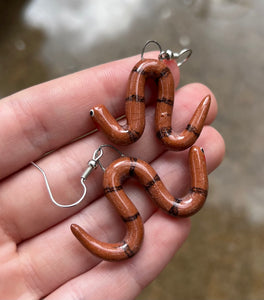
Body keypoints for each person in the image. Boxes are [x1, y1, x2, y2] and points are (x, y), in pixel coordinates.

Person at [0, 53, 225, 299]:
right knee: (134, 140)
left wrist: (101, 118)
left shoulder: (130, 146)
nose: (96, 114)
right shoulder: (119, 159)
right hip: (123, 163)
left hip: (128, 160)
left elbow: (120, 126)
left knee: (139, 137)